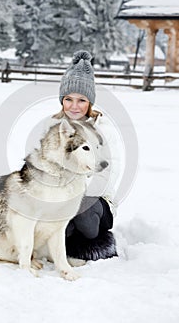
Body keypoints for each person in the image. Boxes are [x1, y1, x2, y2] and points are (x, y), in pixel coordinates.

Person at [52, 50, 124, 261]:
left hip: (96, 201)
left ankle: (90, 233)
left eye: (81, 100)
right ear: (62, 101)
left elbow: (108, 173)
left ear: (90, 102)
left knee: (82, 212)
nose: (74, 106)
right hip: (61, 197)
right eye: (69, 99)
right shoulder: (54, 128)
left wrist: (75, 196)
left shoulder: (103, 129)